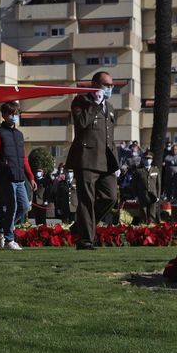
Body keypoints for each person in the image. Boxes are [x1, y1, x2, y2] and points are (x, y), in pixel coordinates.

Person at [67, 72, 120, 249]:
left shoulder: (110, 107)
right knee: (86, 200)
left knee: (111, 197)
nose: (110, 88)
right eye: (106, 85)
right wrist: (95, 104)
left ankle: (81, 225)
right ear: (95, 84)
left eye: (112, 85)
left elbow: (110, 137)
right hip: (86, 159)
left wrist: (117, 162)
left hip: (106, 161)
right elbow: (81, 124)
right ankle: (85, 240)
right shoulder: (81, 101)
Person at [0, 101, 34, 250]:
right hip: (6, 177)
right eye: (11, 114)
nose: (14, 117)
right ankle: (9, 240)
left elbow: (24, 158)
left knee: (24, 207)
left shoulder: (19, 135)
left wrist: (31, 177)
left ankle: (0, 229)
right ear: (4, 115)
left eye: (16, 114)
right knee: (12, 206)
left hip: (20, 177)